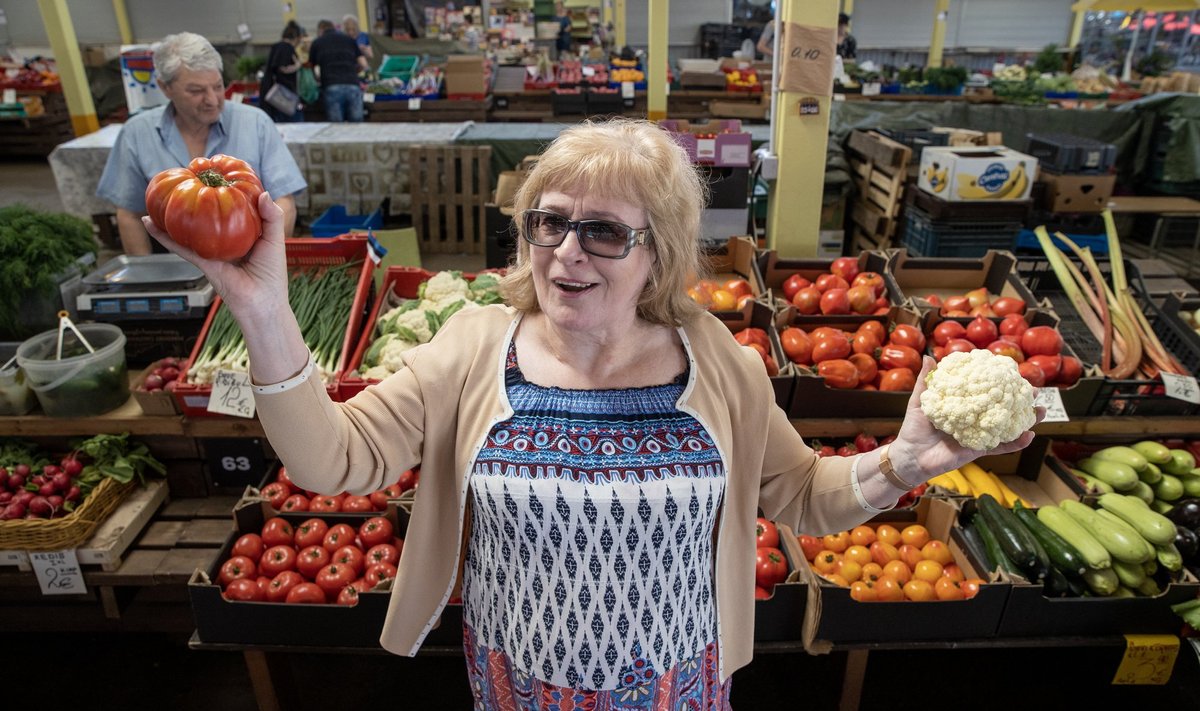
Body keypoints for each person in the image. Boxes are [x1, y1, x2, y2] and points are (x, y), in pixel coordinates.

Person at [145, 119, 1040, 707]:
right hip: (517, 679)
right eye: (549, 223)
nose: (568, 252)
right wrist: (263, 309)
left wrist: (909, 461)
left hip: (674, 686)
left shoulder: (716, 361)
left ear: (659, 253)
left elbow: (804, 493)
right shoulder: (474, 346)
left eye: (604, 231)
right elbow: (330, 460)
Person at [96, 32, 306, 255]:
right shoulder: (137, 133)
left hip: (244, 262)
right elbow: (129, 215)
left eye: (217, 86)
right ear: (165, 87)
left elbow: (284, 202)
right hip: (176, 268)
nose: (213, 100)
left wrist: (262, 266)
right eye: (196, 91)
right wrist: (148, 277)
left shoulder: (256, 123)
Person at [308, 19, 368, 122]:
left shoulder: (317, 43)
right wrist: (354, 72)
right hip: (352, 85)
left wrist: (318, 79)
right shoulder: (349, 39)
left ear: (320, 30)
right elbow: (363, 64)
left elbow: (312, 68)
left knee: (336, 127)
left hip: (331, 85)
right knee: (357, 125)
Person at [260, 21, 306, 123]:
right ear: (297, 37)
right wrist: (297, 66)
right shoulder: (287, 48)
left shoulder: (276, 46)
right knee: (295, 125)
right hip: (283, 97)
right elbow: (281, 68)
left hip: (271, 96)